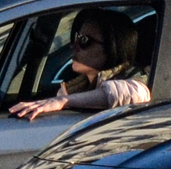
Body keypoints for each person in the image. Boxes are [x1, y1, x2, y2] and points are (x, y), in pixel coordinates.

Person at [9, 8, 152, 120]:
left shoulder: (137, 79)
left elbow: (133, 93)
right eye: (77, 37)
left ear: (113, 48)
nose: (73, 45)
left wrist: (63, 101)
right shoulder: (79, 87)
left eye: (84, 40)